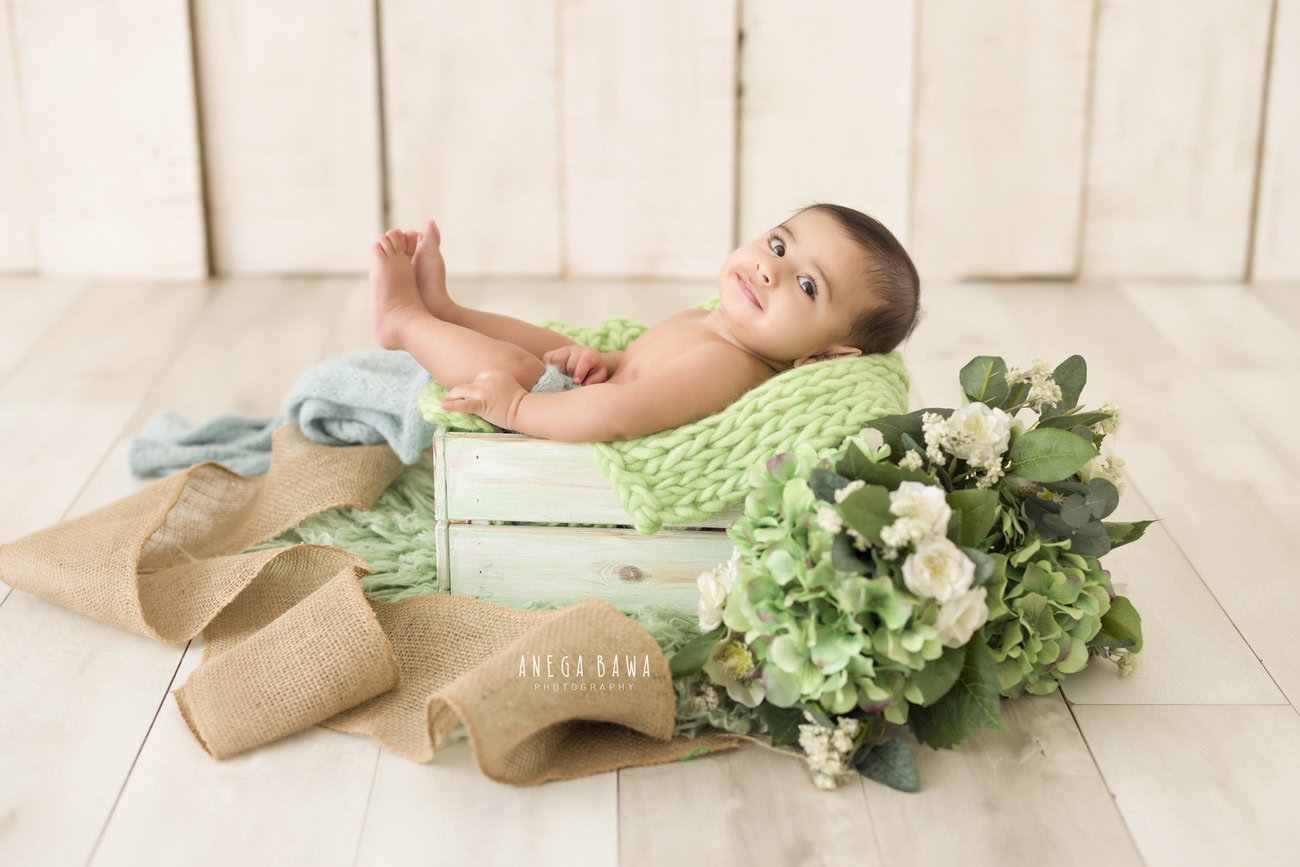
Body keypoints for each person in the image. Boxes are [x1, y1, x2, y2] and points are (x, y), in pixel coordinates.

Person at [368, 202, 922, 443]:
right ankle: (448, 312)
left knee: (512, 366)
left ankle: (404, 322)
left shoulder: (728, 364)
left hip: (572, 425)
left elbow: (622, 415)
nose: (769, 269)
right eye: (778, 244)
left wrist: (515, 407)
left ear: (826, 355)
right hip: (585, 393)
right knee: (554, 343)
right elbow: (638, 369)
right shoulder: (717, 321)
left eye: (807, 286)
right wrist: (604, 362)